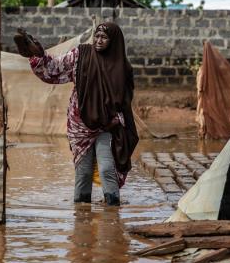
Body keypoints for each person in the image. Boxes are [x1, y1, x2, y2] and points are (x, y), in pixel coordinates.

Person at [14, 22, 139, 206]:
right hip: (80, 125)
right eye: (96, 36)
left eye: (104, 37)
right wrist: (38, 54)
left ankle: (113, 210)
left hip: (108, 125)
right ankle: (81, 215)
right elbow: (55, 68)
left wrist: (114, 119)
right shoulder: (81, 54)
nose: (98, 40)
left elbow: (125, 99)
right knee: (84, 171)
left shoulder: (123, 67)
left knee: (106, 169)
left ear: (114, 42)